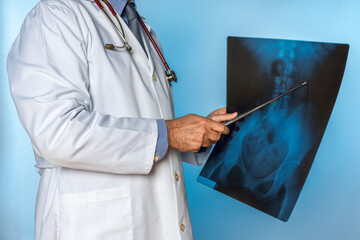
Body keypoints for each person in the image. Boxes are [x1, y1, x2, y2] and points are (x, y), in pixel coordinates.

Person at [7, 0, 237, 239]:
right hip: (94, 226)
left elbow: (144, 123)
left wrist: (198, 137)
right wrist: (168, 133)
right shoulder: (56, 15)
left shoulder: (139, 28)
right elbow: (57, 132)